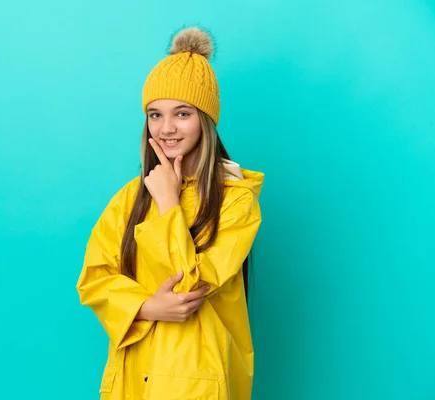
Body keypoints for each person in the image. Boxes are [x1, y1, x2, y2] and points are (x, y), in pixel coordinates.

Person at [76, 26, 264, 400]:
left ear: (206, 120)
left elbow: (192, 286)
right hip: (133, 376)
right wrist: (146, 306)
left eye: (182, 113)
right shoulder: (131, 197)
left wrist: (169, 203)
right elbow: (95, 278)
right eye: (154, 114)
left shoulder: (236, 200)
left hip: (199, 377)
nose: (166, 129)